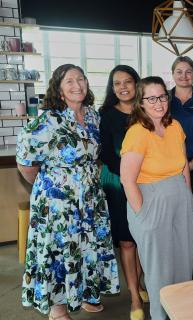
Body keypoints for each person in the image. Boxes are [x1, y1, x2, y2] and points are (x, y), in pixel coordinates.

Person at [16, 64, 119, 320]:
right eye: (70, 81)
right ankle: (57, 308)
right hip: (57, 202)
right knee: (60, 251)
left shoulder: (93, 116)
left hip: (90, 198)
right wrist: (50, 186)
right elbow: (25, 162)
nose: (78, 84)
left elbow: (95, 157)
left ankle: (86, 295)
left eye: (81, 78)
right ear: (59, 89)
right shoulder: (47, 120)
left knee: (86, 247)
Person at [120, 76, 193, 320]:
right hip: (151, 201)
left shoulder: (175, 127)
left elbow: (183, 165)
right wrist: (142, 216)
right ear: (141, 103)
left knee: (183, 266)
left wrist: (188, 197)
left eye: (162, 96)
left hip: (180, 199)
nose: (158, 102)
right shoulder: (137, 133)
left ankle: (180, 314)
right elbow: (127, 179)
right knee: (159, 272)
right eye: (151, 98)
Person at [99, 65, 147, 320]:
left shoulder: (147, 110)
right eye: (117, 83)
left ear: (136, 84)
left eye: (128, 82)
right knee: (127, 241)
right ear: (112, 87)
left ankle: (139, 282)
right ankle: (135, 297)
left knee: (144, 238)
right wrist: (130, 173)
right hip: (118, 182)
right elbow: (105, 153)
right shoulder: (106, 115)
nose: (123, 87)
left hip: (148, 181)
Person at [169, 56, 193, 278]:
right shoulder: (164, 100)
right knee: (176, 222)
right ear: (172, 74)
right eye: (179, 71)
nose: (184, 76)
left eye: (188, 71)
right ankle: (177, 273)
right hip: (171, 171)